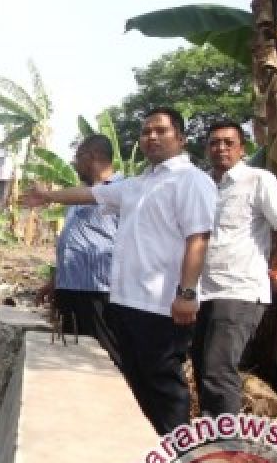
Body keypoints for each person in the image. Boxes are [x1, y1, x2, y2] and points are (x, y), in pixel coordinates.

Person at [23, 107, 216, 435]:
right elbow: (88, 194)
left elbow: (198, 239)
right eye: (145, 132)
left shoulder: (191, 181)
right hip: (127, 302)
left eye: (160, 131)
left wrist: (186, 293)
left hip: (162, 304)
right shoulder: (138, 185)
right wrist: (48, 196)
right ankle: (148, 454)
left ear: (181, 138)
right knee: (137, 381)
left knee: (164, 387)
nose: (151, 137)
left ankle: (177, 458)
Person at [192, 120, 277, 416]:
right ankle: (209, 441)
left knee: (218, 370)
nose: (221, 148)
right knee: (203, 367)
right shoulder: (202, 185)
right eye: (214, 143)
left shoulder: (258, 180)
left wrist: (275, 266)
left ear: (242, 148)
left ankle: (228, 449)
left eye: (229, 142)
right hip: (201, 291)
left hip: (239, 290)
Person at [37, 134, 121, 368]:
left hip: (100, 292)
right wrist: (56, 281)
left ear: (92, 156)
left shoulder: (122, 191)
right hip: (70, 290)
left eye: (77, 158)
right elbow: (73, 242)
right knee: (69, 355)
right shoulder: (77, 195)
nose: (74, 164)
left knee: (104, 355)